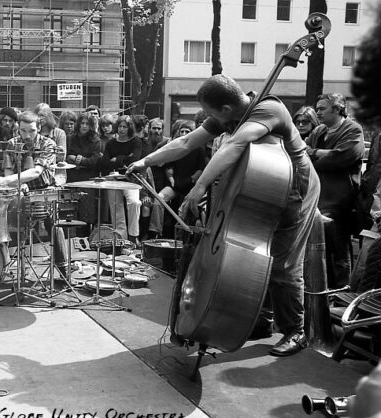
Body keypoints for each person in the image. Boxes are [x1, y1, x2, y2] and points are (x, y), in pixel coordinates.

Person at [127, 74, 321, 357]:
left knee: (283, 264)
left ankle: (297, 331)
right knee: (258, 257)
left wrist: (200, 186)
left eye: (212, 113)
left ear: (227, 109)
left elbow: (235, 145)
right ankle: (263, 321)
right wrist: (146, 160)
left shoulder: (268, 109)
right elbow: (187, 143)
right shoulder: (228, 113)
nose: (211, 119)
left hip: (297, 189)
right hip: (266, 187)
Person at [305, 93, 364, 288]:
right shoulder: (320, 130)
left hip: (340, 200)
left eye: (322, 108)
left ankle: (340, 293)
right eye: (318, 108)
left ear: (337, 109)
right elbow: (302, 156)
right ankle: (323, 290)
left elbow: (340, 158)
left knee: (339, 249)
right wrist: (318, 154)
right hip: (319, 197)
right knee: (321, 248)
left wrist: (314, 154)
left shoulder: (353, 130)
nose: (317, 112)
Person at [99, 115, 143, 242]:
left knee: (134, 202)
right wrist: (124, 158)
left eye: (125, 127)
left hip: (130, 177)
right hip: (112, 178)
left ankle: (133, 235)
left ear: (129, 128)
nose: (122, 129)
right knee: (115, 207)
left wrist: (117, 159)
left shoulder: (136, 141)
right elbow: (105, 162)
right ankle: (120, 237)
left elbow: (134, 159)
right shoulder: (111, 143)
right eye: (120, 126)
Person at [65, 111, 102, 234]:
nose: (84, 126)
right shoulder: (70, 138)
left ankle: (84, 239)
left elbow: (94, 161)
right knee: (70, 211)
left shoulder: (96, 140)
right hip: (72, 178)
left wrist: (80, 160)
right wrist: (78, 160)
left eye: (87, 124)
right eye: (82, 123)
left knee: (86, 213)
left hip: (88, 179)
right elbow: (66, 157)